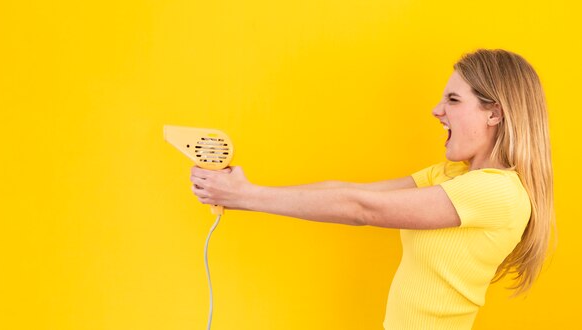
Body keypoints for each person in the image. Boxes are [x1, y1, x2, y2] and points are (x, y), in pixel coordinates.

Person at [189, 49, 556, 329]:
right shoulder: (450, 175)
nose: (436, 110)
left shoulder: (498, 193)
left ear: (494, 113)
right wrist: (242, 195)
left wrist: (245, 195)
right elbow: (352, 192)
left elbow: (362, 209)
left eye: (453, 100)